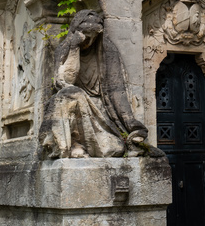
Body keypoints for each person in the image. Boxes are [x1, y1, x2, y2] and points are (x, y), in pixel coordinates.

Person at [40, 9, 162, 159]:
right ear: (76, 32)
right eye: (85, 36)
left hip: (101, 112)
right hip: (76, 107)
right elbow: (65, 82)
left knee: (114, 148)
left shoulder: (108, 52)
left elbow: (117, 93)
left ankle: (86, 145)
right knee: (68, 95)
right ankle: (72, 144)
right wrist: (74, 48)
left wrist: (131, 124)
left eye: (93, 37)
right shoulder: (64, 50)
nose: (88, 41)